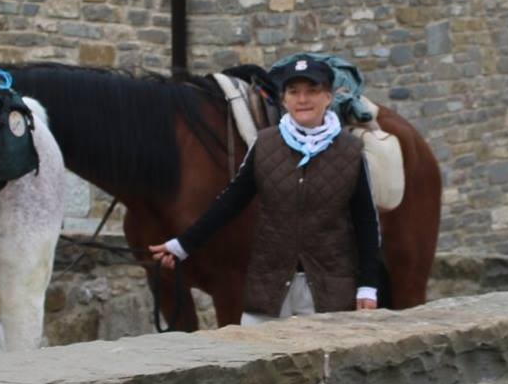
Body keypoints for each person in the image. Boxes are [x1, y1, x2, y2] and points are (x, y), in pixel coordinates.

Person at [148, 54, 382, 323]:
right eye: (294, 92)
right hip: (269, 289)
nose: (302, 100)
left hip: (329, 291)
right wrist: (182, 245)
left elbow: (366, 222)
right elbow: (231, 202)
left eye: (312, 91)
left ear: (328, 97)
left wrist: (368, 285)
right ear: (284, 100)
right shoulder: (265, 145)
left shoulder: (350, 151)